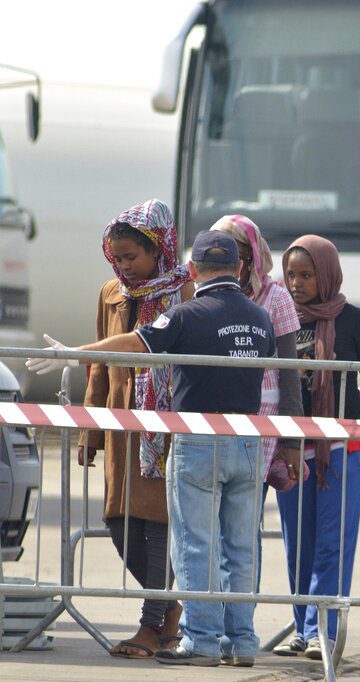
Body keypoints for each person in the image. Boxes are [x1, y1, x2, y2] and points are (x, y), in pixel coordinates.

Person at [33, 231, 276, 666]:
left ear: (195, 271)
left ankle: (200, 640)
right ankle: (241, 643)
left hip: (199, 442)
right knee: (242, 547)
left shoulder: (188, 314)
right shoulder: (261, 318)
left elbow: (134, 343)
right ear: (239, 269)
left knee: (194, 543)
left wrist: (75, 354)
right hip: (248, 442)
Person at [36, 200, 193, 660]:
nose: (124, 267)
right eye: (117, 258)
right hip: (121, 428)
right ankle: (169, 612)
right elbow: (100, 371)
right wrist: (91, 432)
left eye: (132, 257)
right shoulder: (111, 294)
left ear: (159, 248)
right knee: (120, 524)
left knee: (159, 524)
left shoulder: (185, 293)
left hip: (167, 430)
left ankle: (152, 625)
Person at [271, 235, 360, 660]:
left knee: (331, 543)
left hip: (341, 451)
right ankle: (302, 629)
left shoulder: (353, 320)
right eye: (291, 275)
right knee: (297, 544)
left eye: (306, 275)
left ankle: (324, 628)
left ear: (326, 274)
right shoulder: (281, 320)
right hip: (291, 451)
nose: (297, 283)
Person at [210, 216, 302, 495]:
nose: (224, 262)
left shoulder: (277, 298)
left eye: (232, 253)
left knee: (245, 523)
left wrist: (291, 443)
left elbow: (288, 372)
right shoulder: (205, 296)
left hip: (261, 420)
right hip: (213, 418)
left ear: (249, 256)